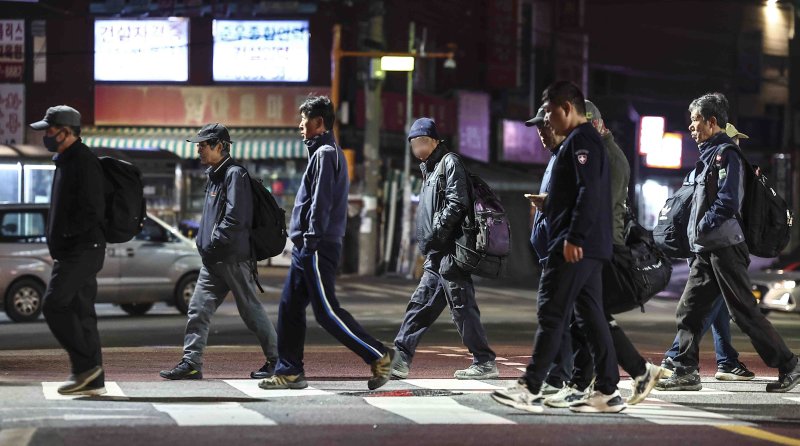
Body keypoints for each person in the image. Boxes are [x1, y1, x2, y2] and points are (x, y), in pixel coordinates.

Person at [491, 81, 624, 414]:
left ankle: (531, 386)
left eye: (550, 112)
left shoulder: (582, 142)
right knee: (591, 317)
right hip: (584, 245)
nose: (547, 121)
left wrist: (574, 238)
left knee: (552, 312)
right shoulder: (580, 143)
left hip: (576, 246)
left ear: (567, 108)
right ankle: (608, 390)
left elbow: (588, 193)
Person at [656, 92, 800, 393]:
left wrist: (703, 225)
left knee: (743, 312)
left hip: (724, 247)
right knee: (690, 309)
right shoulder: (708, 155)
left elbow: (729, 200)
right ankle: (684, 369)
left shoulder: (726, 154)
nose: (691, 127)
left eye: (695, 121)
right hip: (707, 250)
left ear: (711, 122)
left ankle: (789, 365)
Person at [259, 96, 398, 391]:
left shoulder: (324, 153)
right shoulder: (322, 152)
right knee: (289, 307)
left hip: (317, 245)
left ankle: (379, 355)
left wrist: (310, 241)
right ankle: (290, 370)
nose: (300, 125)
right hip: (308, 246)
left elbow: (321, 203)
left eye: (304, 120)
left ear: (319, 122)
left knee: (327, 312)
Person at [544, 101, 664, 409]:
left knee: (586, 314)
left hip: (602, 248)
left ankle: (614, 379)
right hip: (599, 245)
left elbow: (597, 207)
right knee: (588, 313)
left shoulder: (607, 157)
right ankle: (620, 377)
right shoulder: (600, 154)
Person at [159, 123, 279, 380]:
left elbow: (237, 217)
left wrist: (215, 241)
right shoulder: (214, 175)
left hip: (233, 258)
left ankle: (277, 361)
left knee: (250, 310)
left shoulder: (235, 175)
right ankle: (191, 363)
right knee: (198, 309)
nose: (199, 150)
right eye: (199, 145)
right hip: (213, 260)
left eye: (203, 145)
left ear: (220, 146)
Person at [391, 118, 498, 380]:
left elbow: (456, 202)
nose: (418, 147)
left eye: (422, 141)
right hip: (438, 253)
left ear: (436, 141)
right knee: (421, 304)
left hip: (451, 251)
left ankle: (484, 361)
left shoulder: (449, 163)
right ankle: (400, 357)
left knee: (461, 307)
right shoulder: (429, 168)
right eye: (414, 143)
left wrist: (436, 234)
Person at [660, 122, 755, 383]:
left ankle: (726, 359)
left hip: (704, 243)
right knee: (707, 305)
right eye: (735, 138)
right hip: (714, 245)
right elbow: (726, 205)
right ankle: (676, 354)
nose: (738, 143)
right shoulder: (721, 162)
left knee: (716, 304)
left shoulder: (706, 165)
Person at [31, 105, 107, 395]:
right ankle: (93, 380)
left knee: (54, 304)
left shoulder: (83, 162)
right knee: (81, 310)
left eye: (49, 130)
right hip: (76, 249)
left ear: (66, 132)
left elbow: (92, 210)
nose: (45, 135)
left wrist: (64, 234)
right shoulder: (67, 159)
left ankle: (86, 367)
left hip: (82, 249)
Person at [523, 106, 574, 395]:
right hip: (550, 251)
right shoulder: (555, 158)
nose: (541, 134)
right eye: (538, 129)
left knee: (556, 314)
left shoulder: (569, 156)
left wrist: (549, 204)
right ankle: (564, 372)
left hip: (563, 251)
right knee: (563, 315)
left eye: (544, 127)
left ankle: (559, 375)